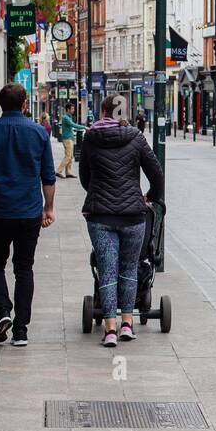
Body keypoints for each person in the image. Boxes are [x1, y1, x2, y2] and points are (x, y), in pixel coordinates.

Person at [0, 82, 56, 347]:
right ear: (24, 104)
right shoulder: (38, 133)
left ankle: (3, 312)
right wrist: (48, 207)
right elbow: (49, 177)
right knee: (24, 269)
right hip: (29, 211)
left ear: (0, 105)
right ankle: (21, 331)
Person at [81, 96, 165, 347]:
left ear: (104, 111)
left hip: (100, 216)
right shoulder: (136, 137)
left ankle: (109, 329)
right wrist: (149, 197)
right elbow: (157, 175)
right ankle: (127, 324)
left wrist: (97, 192)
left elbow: (85, 177)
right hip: (133, 216)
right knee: (129, 269)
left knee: (107, 270)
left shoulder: (90, 137)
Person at [57, 102, 78, 179]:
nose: (73, 110)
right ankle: (58, 171)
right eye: (72, 109)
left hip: (70, 138)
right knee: (68, 156)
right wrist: (84, 127)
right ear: (68, 109)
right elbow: (73, 125)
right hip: (67, 139)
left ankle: (68, 172)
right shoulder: (66, 117)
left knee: (71, 156)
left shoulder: (69, 117)